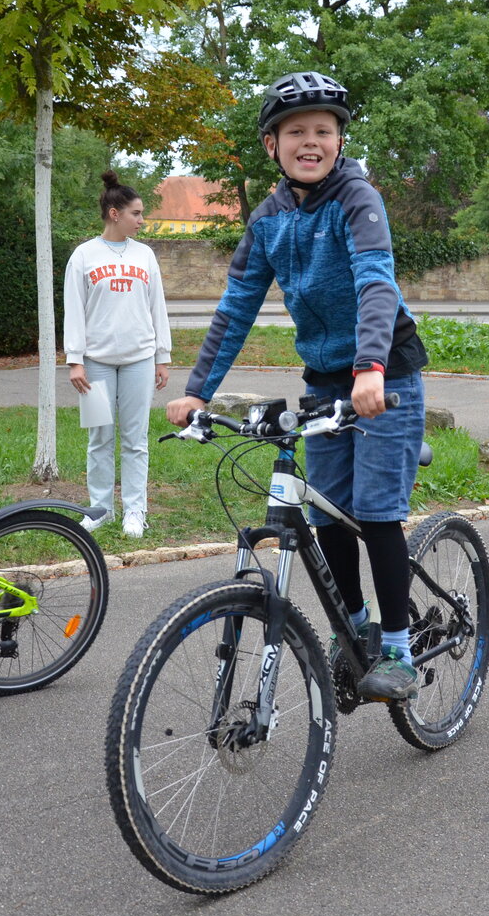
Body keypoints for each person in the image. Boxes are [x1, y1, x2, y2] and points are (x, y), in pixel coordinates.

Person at [164, 70, 429, 701]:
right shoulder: (267, 219)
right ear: (271, 145)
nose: (311, 142)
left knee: (376, 511)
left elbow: (375, 279)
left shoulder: (357, 198)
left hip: (383, 372)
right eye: (296, 133)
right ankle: (354, 628)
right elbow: (236, 307)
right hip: (324, 378)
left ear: (339, 140)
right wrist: (198, 391)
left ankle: (397, 649)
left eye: (324, 131)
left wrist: (369, 367)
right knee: (326, 512)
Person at [63, 171, 172, 537]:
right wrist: (75, 359)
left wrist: (162, 355)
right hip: (95, 362)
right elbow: (74, 309)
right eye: (137, 214)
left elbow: (158, 306)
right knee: (100, 438)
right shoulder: (83, 256)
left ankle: (135, 512)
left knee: (135, 439)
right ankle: (100, 510)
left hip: (139, 359)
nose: (142, 221)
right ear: (115, 213)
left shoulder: (145, 256)